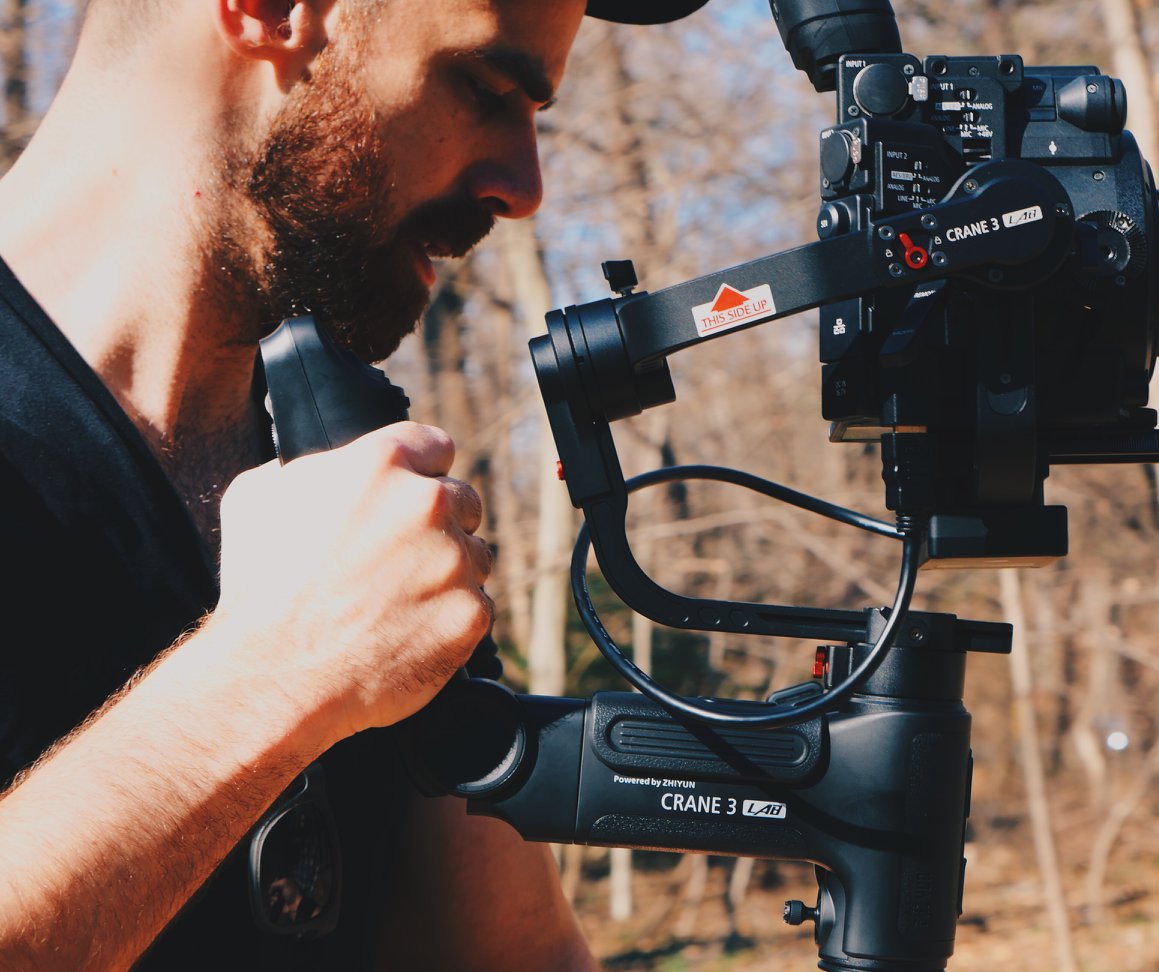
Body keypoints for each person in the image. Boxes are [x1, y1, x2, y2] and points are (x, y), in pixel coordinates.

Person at [0, 0, 706, 967]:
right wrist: (273, 674)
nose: (525, 186)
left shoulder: (347, 462)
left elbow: (518, 955)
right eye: (487, 88)